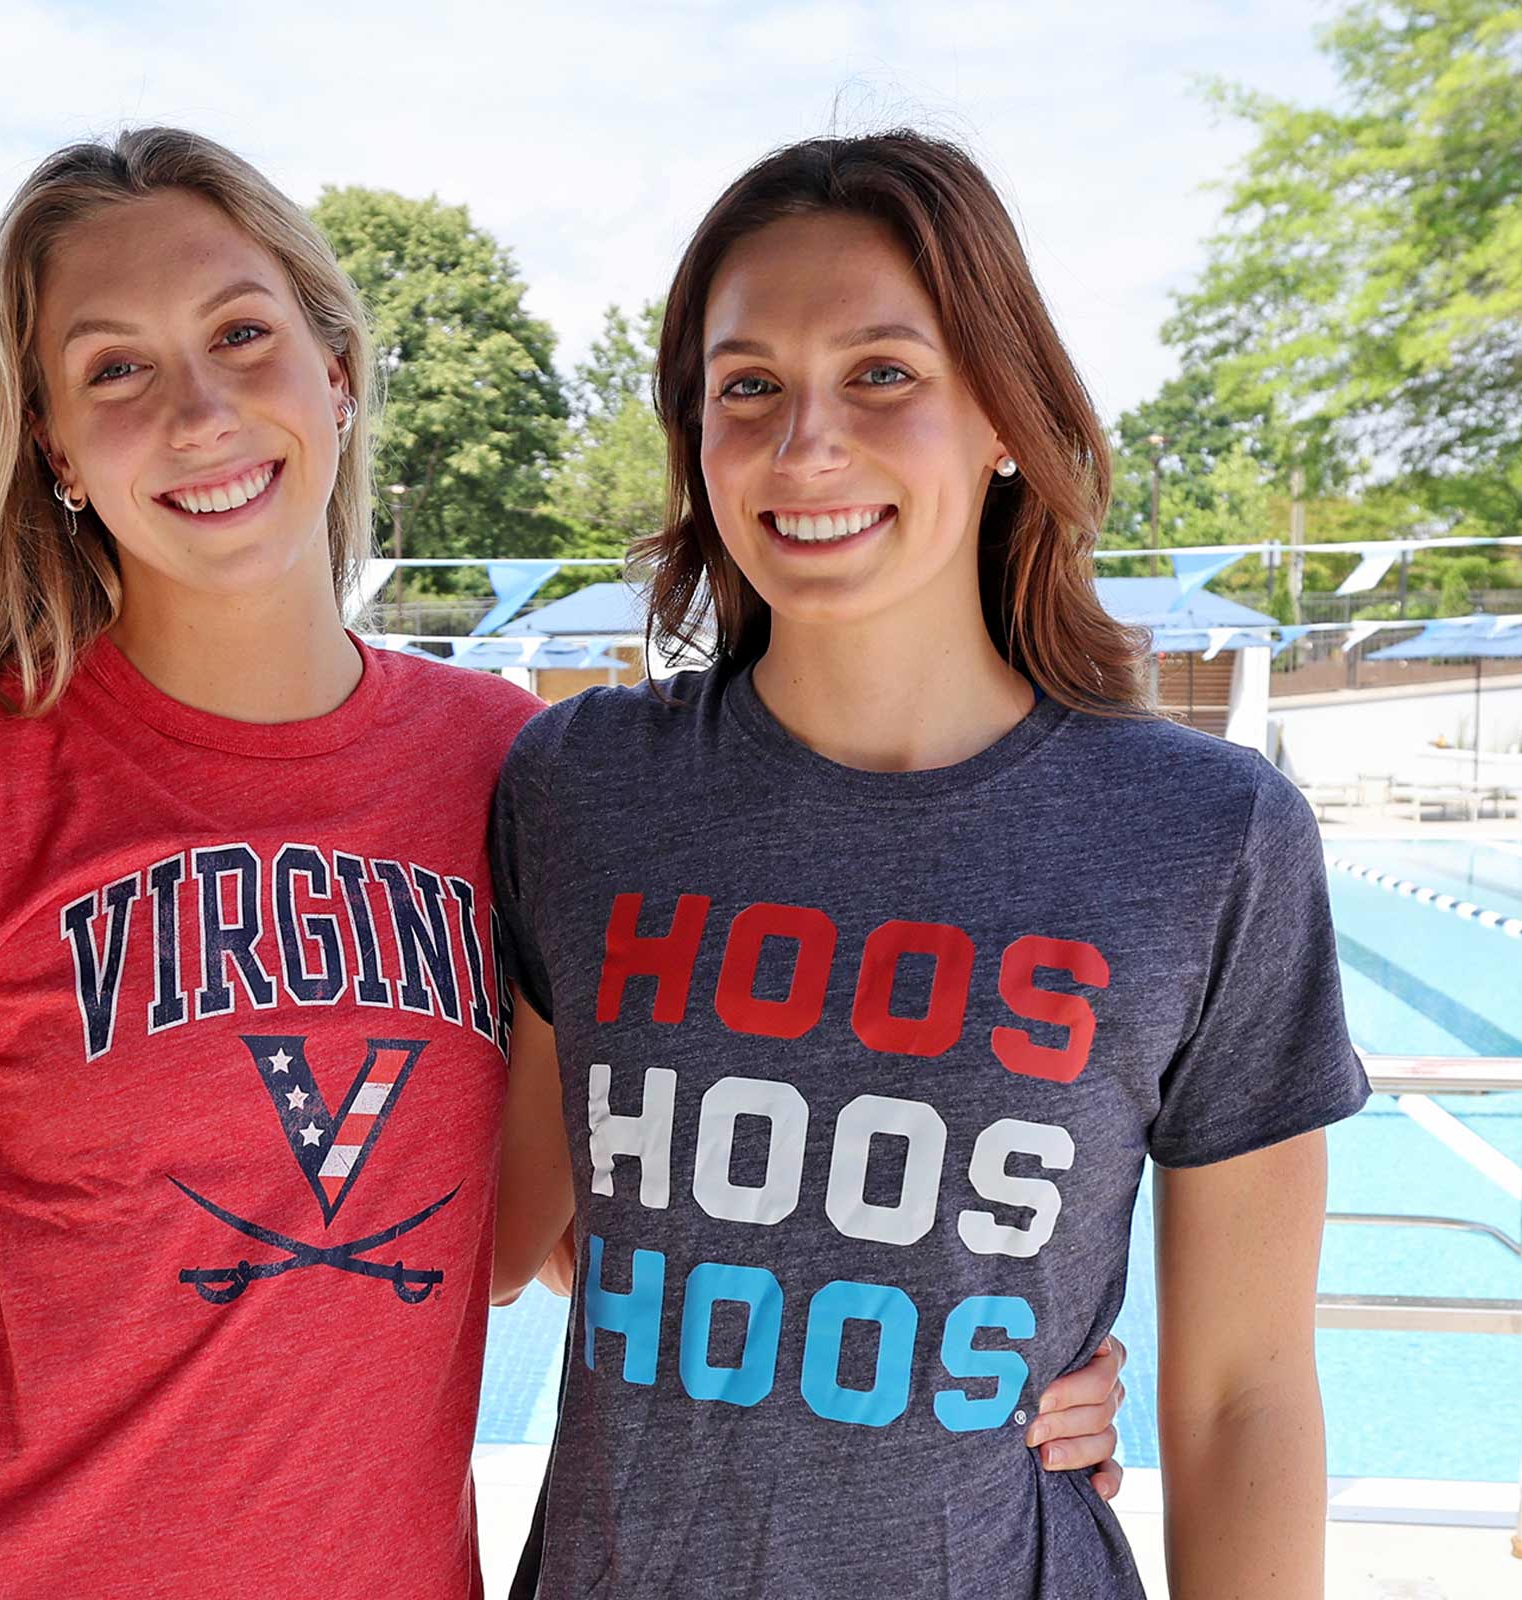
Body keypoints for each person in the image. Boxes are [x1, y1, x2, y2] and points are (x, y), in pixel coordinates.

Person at [0, 127, 1130, 1600]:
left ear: (335, 372)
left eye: (240, 334)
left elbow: (584, 1221)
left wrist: (996, 1379)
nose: (201, 410)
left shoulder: (508, 769)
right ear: (52, 446)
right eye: (114, 371)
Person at [481, 133, 1365, 1597]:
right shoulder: (584, 791)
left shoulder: (1205, 837)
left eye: (883, 372)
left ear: (1005, 413)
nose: (804, 444)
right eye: (746, 385)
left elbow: (1242, 1395)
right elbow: (505, 1225)